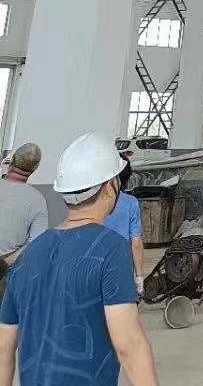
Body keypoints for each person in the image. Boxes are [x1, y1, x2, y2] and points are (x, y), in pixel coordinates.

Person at [0, 132, 160, 386]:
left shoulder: (30, 253)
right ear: (110, 186)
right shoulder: (111, 249)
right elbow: (129, 346)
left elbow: (4, 346)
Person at [0, 145, 47, 299]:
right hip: (5, 274)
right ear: (36, 167)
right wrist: (5, 262)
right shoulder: (38, 200)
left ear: (12, 159)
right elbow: (37, 243)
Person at [103, 161, 145, 298]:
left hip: (96, 263)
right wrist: (139, 278)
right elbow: (136, 243)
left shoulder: (94, 202)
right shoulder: (130, 203)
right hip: (122, 266)